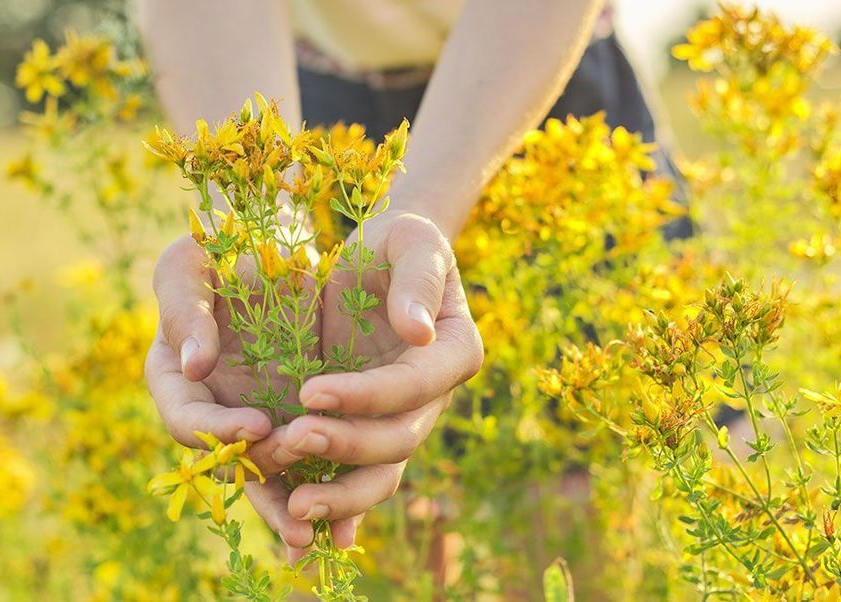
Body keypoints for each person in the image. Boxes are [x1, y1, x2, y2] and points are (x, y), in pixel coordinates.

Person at [138, 0, 670, 563]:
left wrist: (421, 211)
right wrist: (255, 229)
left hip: (535, 84)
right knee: (356, 535)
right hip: (301, 92)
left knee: (563, 520)